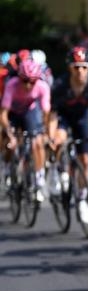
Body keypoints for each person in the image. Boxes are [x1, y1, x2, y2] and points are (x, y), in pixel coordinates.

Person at [48, 47, 88, 221]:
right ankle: (57, 170)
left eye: (84, 67)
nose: (80, 71)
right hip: (64, 117)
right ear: (69, 68)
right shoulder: (59, 85)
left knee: (85, 160)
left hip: (83, 117)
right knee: (58, 139)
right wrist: (51, 137)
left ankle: (81, 198)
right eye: (76, 67)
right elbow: (53, 114)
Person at [0, 60, 51, 201]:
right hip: (12, 113)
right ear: (19, 77)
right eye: (25, 80)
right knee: (10, 144)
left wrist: (45, 132)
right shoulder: (12, 85)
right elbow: (3, 114)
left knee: (37, 143)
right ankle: (7, 166)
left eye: (32, 81)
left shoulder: (42, 87)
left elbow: (46, 112)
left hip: (30, 112)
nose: (28, 85)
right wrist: (10, 134)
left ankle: (39, 179)